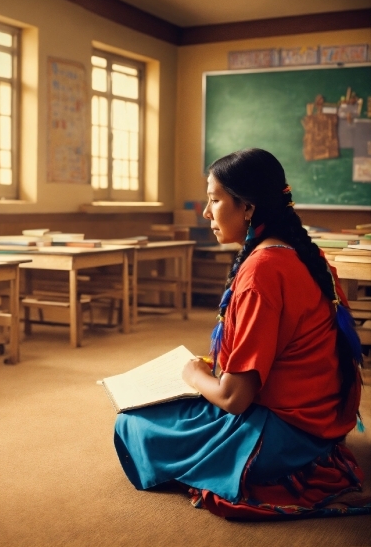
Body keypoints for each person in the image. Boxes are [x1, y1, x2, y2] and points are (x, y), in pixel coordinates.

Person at [114, 148, 369, 519]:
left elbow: (234, 398)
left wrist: (193, 374)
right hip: (319, 424)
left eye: (215, 200)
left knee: (133, 424)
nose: (206, 212)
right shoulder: (304, 255)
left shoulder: (262, 272)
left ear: (247, 207)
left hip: (283, 433)